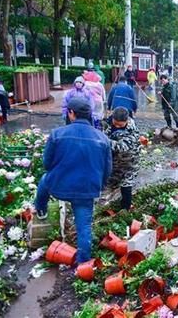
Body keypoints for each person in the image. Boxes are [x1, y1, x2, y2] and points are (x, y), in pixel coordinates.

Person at [34, 98, 112, 263]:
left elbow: (47, 164)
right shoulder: (102, 138)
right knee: (84, 227)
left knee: (44, 180)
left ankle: (41, 210)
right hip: (86, 190)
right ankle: (83, 263)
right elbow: (107, 170)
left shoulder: (57, 134)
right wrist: (99, 187)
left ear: (71, 113)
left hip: (59, 186)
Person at [104, 107, 140, 210]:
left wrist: (104, 141)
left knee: (126, 185)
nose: (117, 126)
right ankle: (106, 207)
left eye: (120, 125)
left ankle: (125, 210)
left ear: (127, 120)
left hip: (129, 163)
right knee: (108, 185)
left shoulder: (132, 131)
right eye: (115, 123)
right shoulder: (109, 122)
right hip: (113, 162)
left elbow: (122, 146)